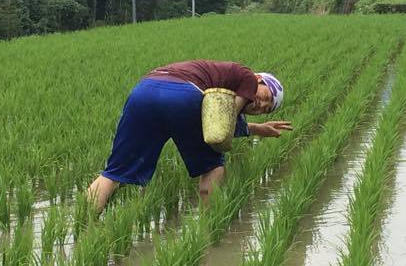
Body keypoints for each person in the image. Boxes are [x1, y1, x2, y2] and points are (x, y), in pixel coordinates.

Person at [87, 60, 290, 213]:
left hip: (144, 91)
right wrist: (232, 139)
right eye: (265, 97)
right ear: (259, 80)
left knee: (114, 172)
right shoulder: (247, 76)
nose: (260, 105)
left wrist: (256, 128)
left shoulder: (223, 84)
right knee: (212, 166)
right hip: (183, 94)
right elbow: (223, 127)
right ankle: (211, 222)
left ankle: (83, 223)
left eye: (265, 110)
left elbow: (219, 121)